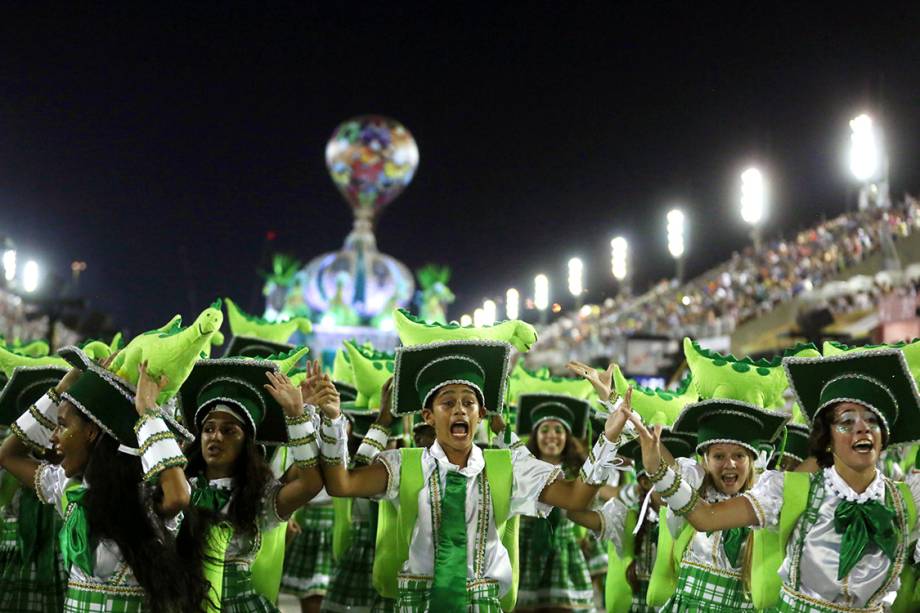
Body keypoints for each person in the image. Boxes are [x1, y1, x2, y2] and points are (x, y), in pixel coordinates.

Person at [319, 340, 630, 612]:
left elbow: (577, 496)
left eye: (469, 402)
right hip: (418, 604)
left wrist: (610, 435)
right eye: (447, 403)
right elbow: (341, 484)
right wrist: (333, 418)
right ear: (428, 416)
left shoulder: (506, 467)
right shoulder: (403, 465)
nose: (460, 411)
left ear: (481, 414)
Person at [632, 348, 920, 612]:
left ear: (885, 436)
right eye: (846, 422)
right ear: (827, 439)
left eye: (873, 421)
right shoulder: (789, 490)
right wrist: (656, 467)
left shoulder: (908, 501)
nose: (862, 430)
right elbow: (705, 517)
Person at [0, 354, 207, 612]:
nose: (53, 438)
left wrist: (147, 411)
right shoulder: (65, 486)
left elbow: (178, 496)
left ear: (91, 432)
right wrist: (59, 392)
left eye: (62, 425)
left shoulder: (144, 493)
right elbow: (8, 455)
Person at [177, 357, 325, 612]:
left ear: (246, 442)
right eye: (208, 429)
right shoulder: (179, 487)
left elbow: (310, 484)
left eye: (229, 430)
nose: (215, 436)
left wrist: (299, 416)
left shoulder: (260, 497)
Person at [569, 429, 696, 613]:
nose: (675, 489)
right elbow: (575, 513)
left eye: (681, 483)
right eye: (665, 479)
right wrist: (597, 461)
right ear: (644, 483)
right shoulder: (625, 519)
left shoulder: (694, 523)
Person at [512, 393, 594, 612]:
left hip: (564, 553)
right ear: (535, 435)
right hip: (525, 550)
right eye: (544, 430)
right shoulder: (521, 469)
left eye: (558, 430)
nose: (552, 436)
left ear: (567, 437)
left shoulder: (579, 473)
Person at [0, 365, 68, 612]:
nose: (50, 434)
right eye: (42, 422)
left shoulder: (73, 475)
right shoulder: (7, 473)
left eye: (58, 423)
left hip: (62, 574)